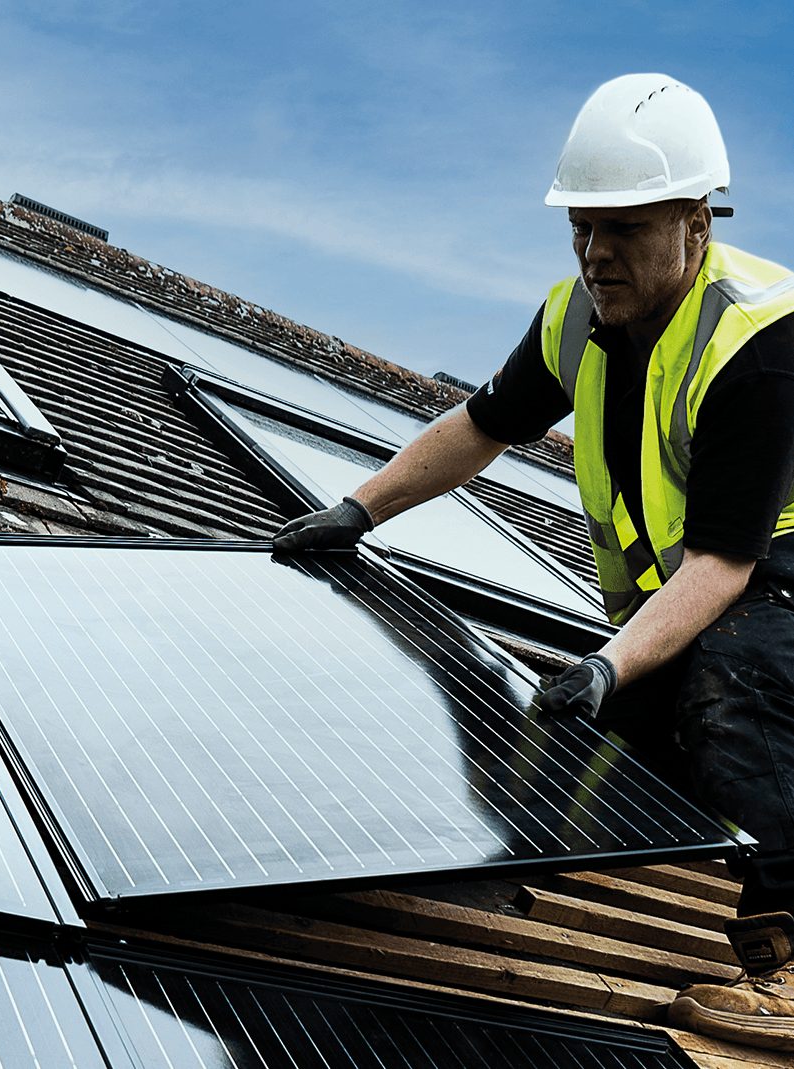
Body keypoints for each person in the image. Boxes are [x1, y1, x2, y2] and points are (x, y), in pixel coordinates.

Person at [274, 73, 794, 1052]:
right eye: (582, 226)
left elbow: (725, 565)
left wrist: (607, 661)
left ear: (694, 219)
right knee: (564, 753)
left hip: (765, 613)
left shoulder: (757, 341)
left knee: (730, 680)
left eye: (624, 229)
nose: (596, 252)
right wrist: (356, 510)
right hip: (687, 613)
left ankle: (789, 959)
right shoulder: (574, 320)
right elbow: (478, 429)